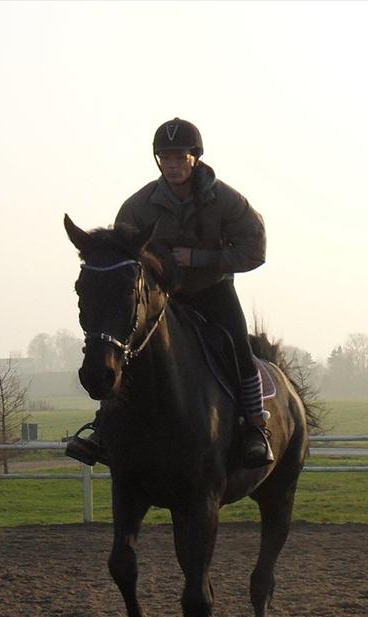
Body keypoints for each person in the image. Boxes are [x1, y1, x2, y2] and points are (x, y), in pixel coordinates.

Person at [66, 117, 273, 469]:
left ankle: (256, 428)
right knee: (124, 351)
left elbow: (255, 250)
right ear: (158, 160)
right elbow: (122, 257)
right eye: (166, 158)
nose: (173, 165)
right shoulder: (137, 205)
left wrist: (200, 258)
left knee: (239, 348)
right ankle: (103, 430)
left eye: (180, 158)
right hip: (161, 297)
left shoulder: (226, 200)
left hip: (212, 290)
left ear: (195, 158)